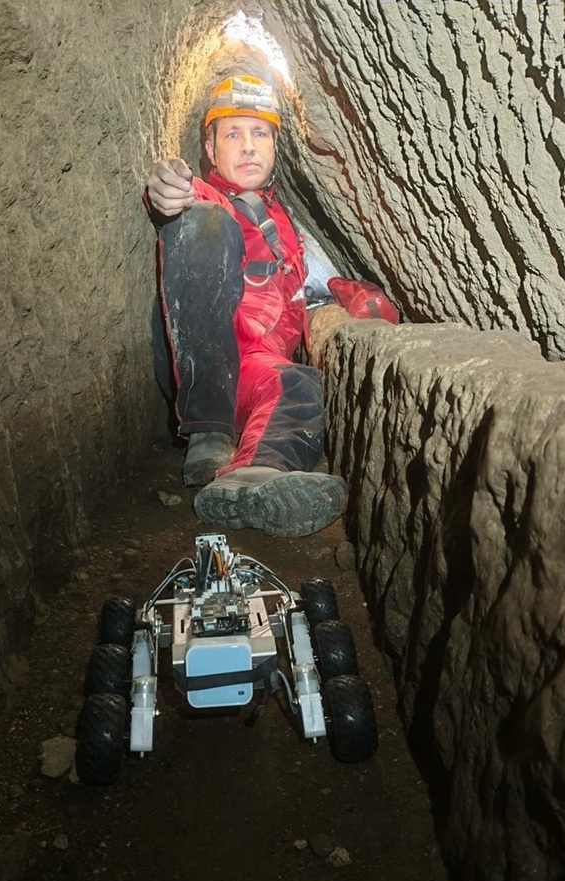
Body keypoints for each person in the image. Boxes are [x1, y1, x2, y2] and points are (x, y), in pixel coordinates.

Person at [145, 74, 396, 537]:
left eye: (259, 133)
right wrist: (166, 190)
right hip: (213, 363)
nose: (247, 147)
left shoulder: (288, 227)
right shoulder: (205, 198)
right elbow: (173, 197)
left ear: (275, 145)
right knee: (208, 224)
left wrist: (353, 293)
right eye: (233, 134)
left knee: (299, 385)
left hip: (261, 368)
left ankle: (249, 475)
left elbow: (328, 284)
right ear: (210, 147)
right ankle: (221, 445)